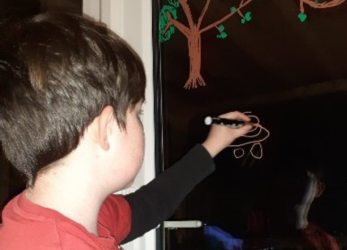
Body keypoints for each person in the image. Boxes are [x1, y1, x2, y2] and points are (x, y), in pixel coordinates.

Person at [0, 13, 252, 249]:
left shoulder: (62, 217)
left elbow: (149, 206)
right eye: (137, 113)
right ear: (107, 129)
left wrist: (213, 145)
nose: (140, 123)